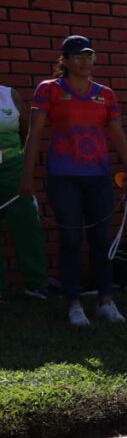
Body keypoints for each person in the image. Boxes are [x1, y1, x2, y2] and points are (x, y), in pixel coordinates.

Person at [21, 35, 127, 326]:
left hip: (98, 176)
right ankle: (74, 304)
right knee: (71, 239)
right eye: (78, 56)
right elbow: (34, 134)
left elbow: (118, 136)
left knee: (101, 240)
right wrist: (27, 176)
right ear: (65, 60)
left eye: (89, 56)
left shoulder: (105, 94)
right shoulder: (49, 90)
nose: (85, 62)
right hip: (63, 176)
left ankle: (105, 301)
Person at [0, 83, 48, 301]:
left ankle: (36, 283)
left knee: (27, 224)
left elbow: (27, 130)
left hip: (13, 168)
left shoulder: (9, 94)